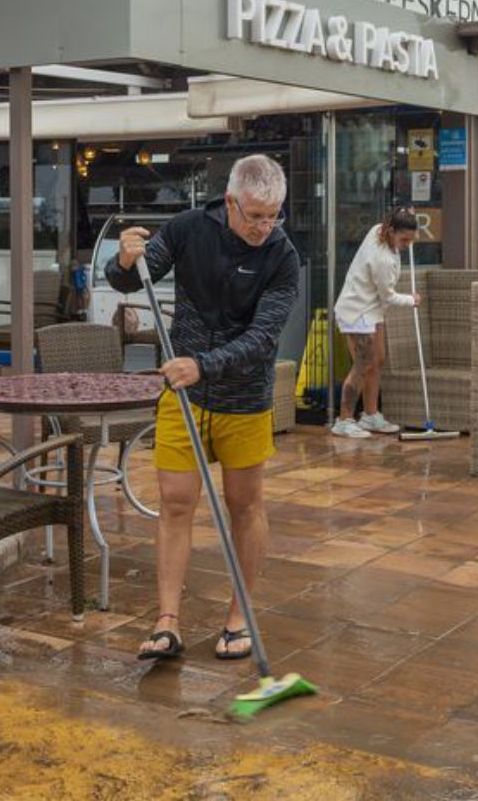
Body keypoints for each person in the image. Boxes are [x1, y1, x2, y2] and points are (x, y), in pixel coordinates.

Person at [104, 154, 300, 663]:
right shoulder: (190, 228)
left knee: (244, 504)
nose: (264, 226)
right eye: (255, 214)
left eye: (273, 215)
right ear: (231, 201)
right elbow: (127, 282)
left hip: (243, 396)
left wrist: (205, 365)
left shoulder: (282, 255)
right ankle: (167, 621)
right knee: (174, 503)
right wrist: (124, 259)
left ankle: (240, 615)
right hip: (184, 395)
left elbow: (262, 339)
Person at [330, 208, 420, 438]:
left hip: (372, 311)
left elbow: (390, 221)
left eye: (412, 239)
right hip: (357, 311)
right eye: (404, 239)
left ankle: (370, 415)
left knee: (377, 360)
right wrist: (412, 300)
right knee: (363, 363)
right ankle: (344, 420)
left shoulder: (376, 231)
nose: (408, 244)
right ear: (391, 232)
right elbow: (388, 296)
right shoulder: (383, 260)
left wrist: (405, 214)